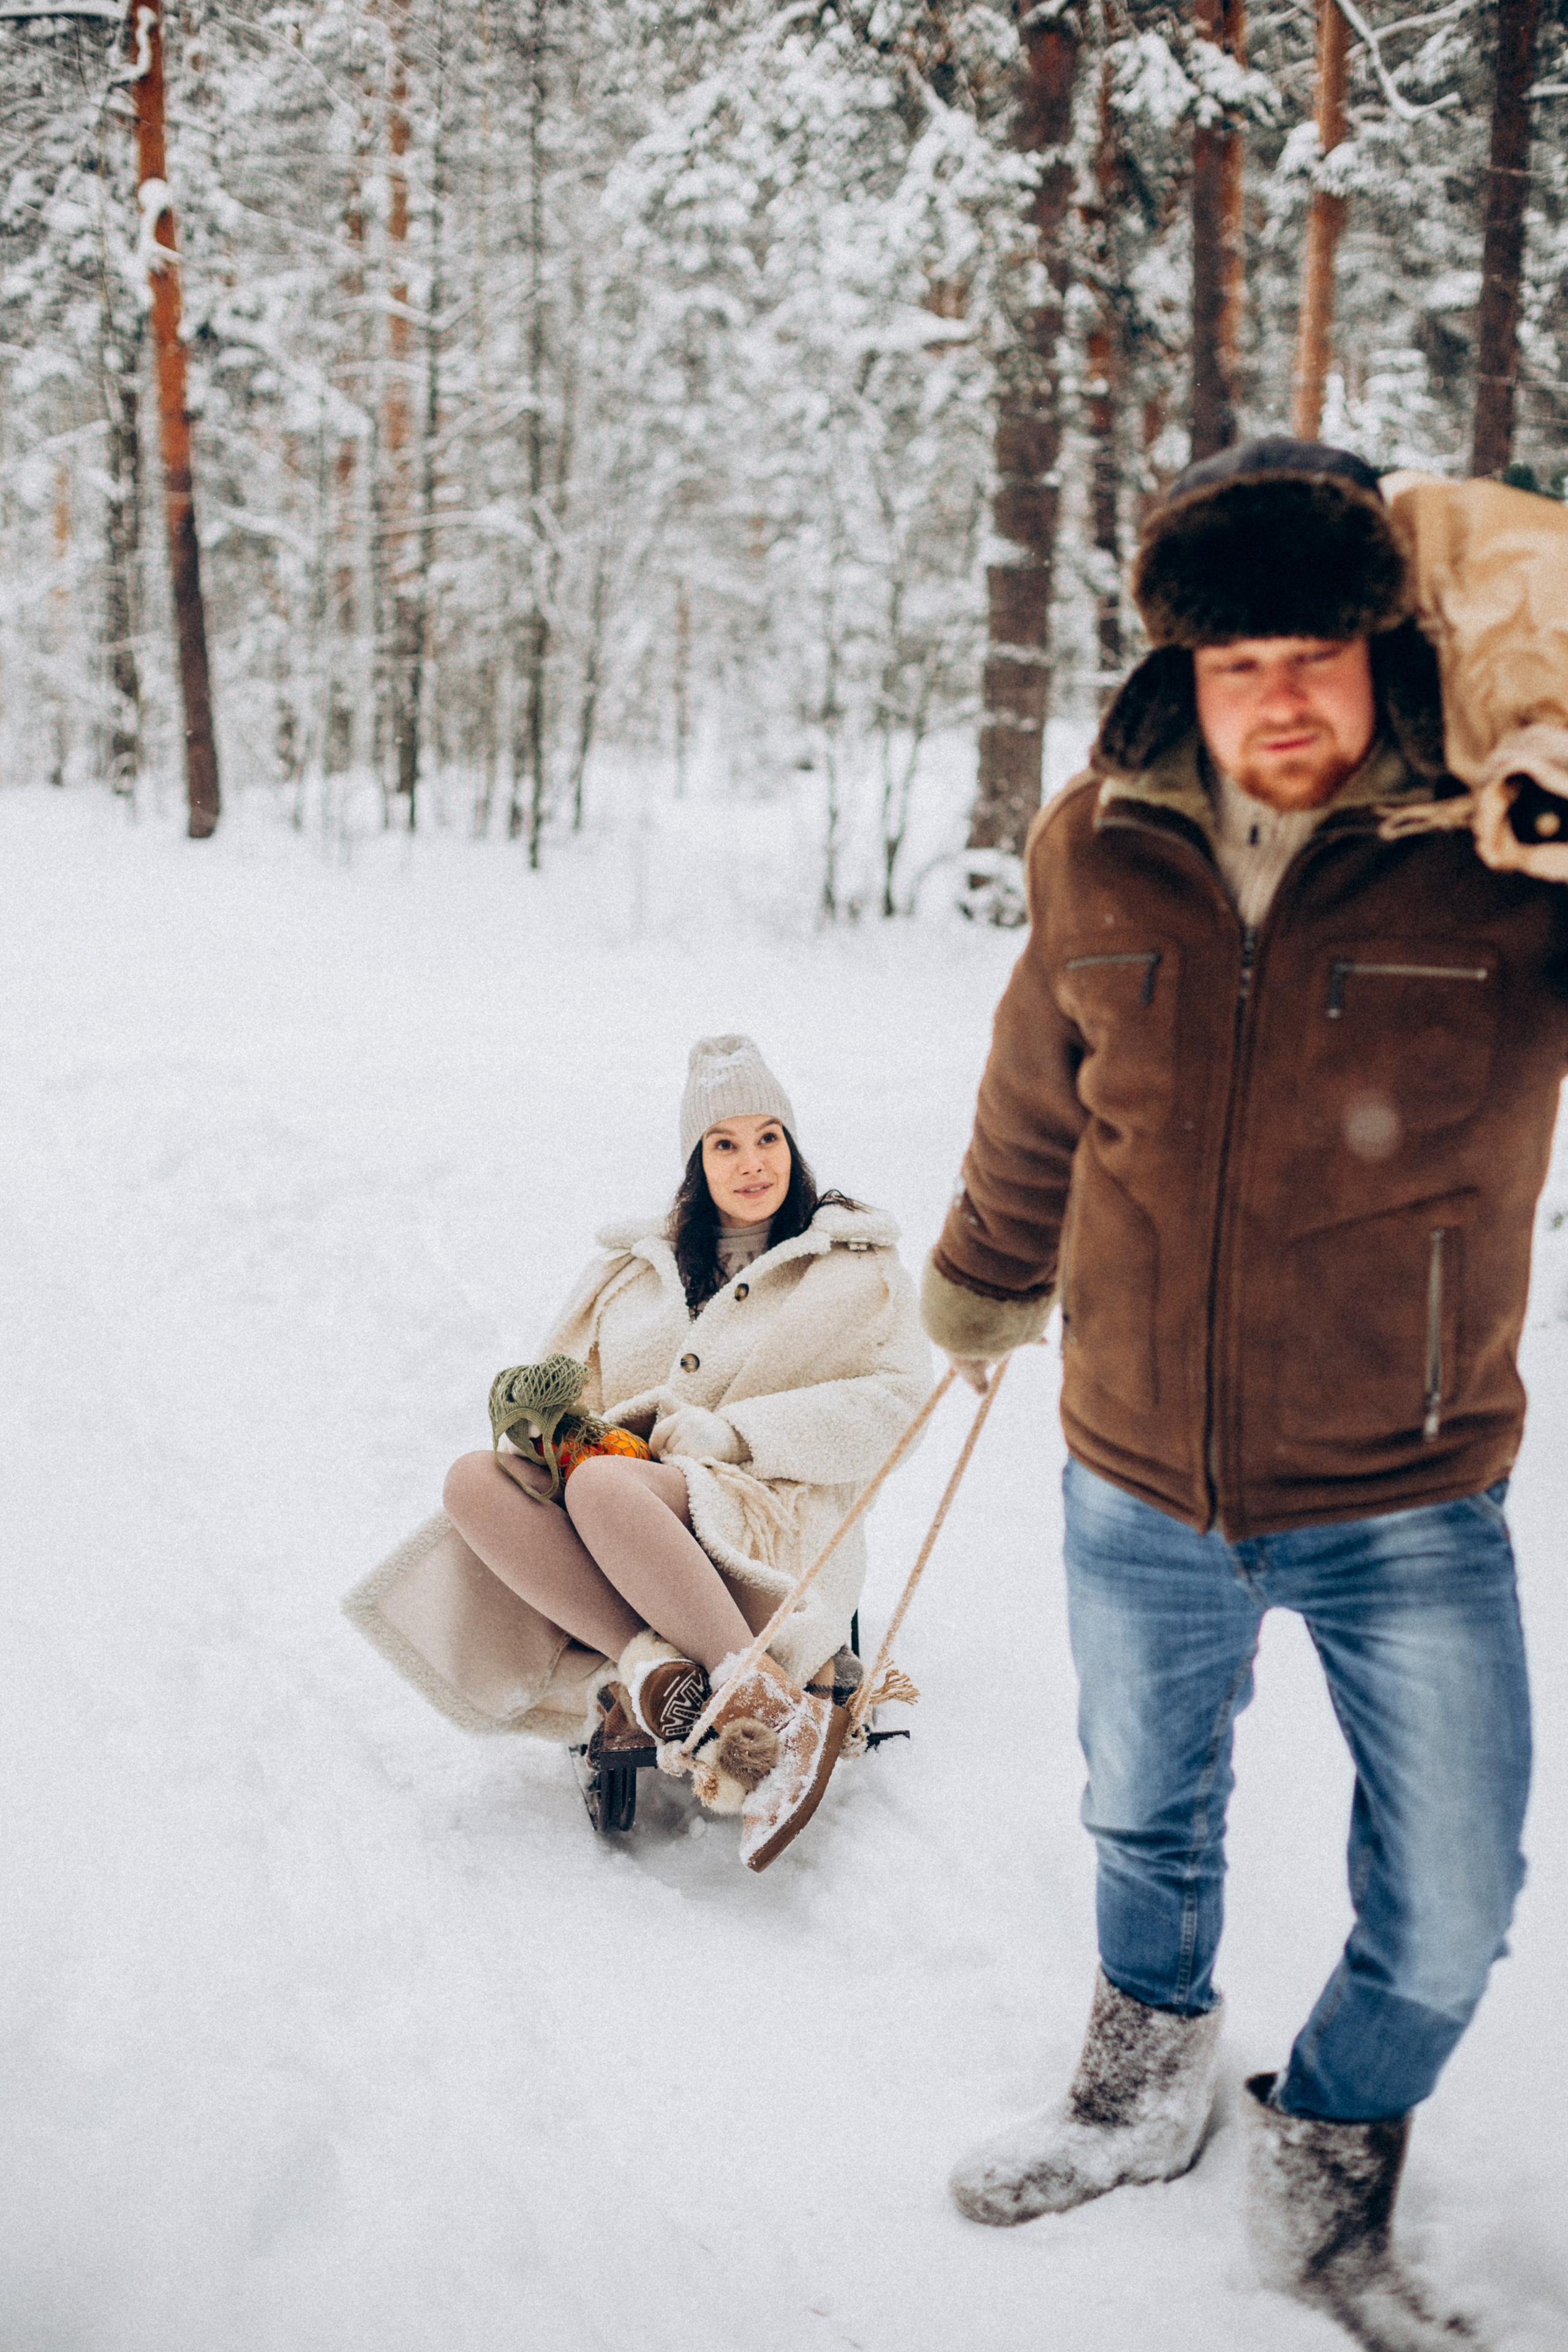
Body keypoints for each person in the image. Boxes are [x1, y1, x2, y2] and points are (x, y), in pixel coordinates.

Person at [921, 439, 1568, 2348]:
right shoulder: (1097, 839)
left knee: (1453, 1888)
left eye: (1317, 650)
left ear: (1385, 650)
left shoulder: (1508, 853)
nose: (1279, 697)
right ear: (1181, 669)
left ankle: (1332, 2155)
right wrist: (978, 1277)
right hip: (1134, 1469)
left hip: (1408, 1485)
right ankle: (1137, 2091)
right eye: (1237, 661)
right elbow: (1042, 1091)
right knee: (1145, 1813)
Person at [439, 1033, 930, 1871]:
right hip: (635, 1503)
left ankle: (762, 1697)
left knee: (604, 1494)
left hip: (768, 1515)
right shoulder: (634, 1271)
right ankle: (657, 1670)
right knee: (474, 1483)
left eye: (768, 1138)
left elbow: (894, 1406)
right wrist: (556, 1433)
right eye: (724, 1144)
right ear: (695, 1161)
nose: (752, 1162)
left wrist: (738, 1435)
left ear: (793, 1145)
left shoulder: (855, 1267)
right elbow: (575, 1387)